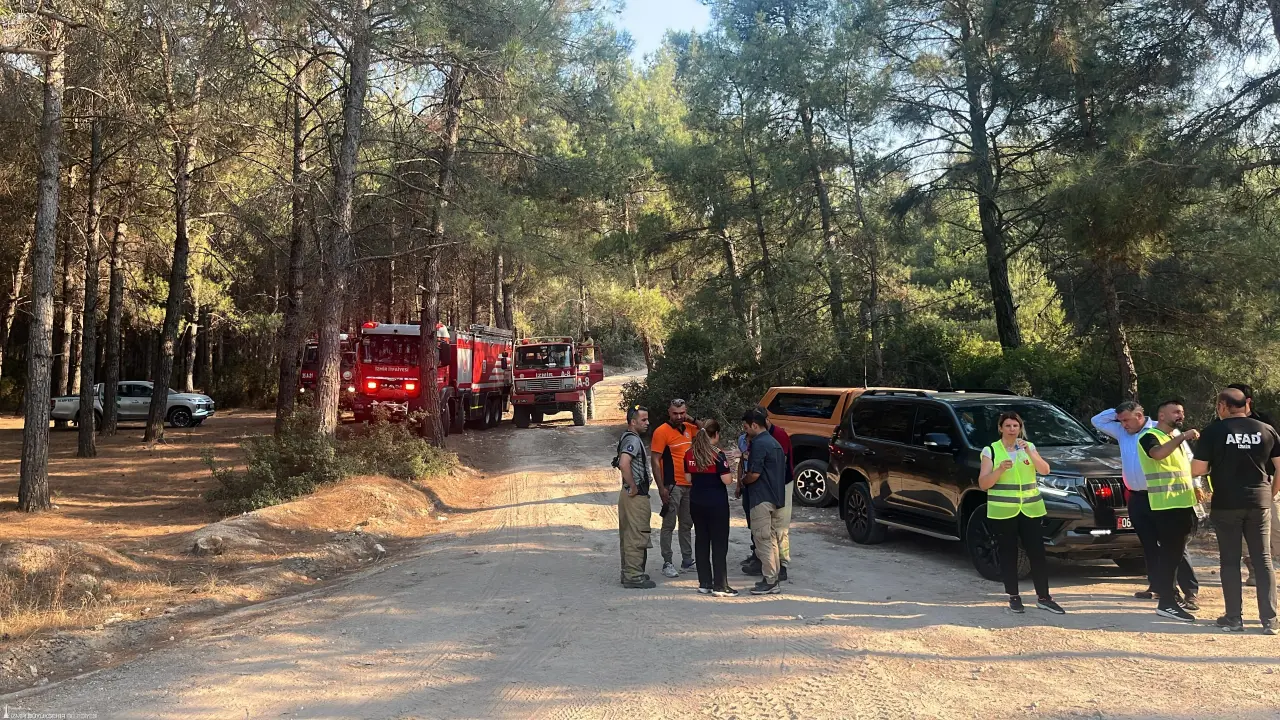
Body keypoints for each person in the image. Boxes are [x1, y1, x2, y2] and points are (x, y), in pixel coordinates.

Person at [1093, 401, 1200, 606]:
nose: (1123, 424)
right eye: (1120, 420)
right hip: (1136, 497)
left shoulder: (1162, 433)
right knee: (1149, 544)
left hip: (1161, 497)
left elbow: (1186, 460)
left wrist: (1196, 485)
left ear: (1140, 415)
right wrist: (1119, 414)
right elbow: (1096, 420)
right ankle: (1158, 587)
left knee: (1174, 545)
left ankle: (1190, 590)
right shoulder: (1123, 431)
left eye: (1127, 419)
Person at [1191, 388, 1280, 634]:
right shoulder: (1266, 430)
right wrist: (1269, 493)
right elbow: (1279, 467)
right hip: (1259, 501)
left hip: (1227, 503)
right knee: (1263, 560)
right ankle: (1270, 620)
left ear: (1222, 406)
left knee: (1230, 561)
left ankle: (1234, 619)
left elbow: (1197, 470)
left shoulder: (1213, 432)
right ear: (1245, 405)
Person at [978, 411, 1065, 615]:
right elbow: (983, 484)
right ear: (1000, 428)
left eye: (1015, 426)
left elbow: (1045, 470)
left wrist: (1031, 453)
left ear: (1020, 428)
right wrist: (999, 470)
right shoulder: (990, 450)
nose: (1012, 430)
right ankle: (1014, 596)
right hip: (1003, 511)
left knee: (1037, 552)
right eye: (1007, 426)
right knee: (1008, 553)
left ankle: (1044, 597)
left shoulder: (1029, 447)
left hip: (1030, 508)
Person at [1136, 400, 1201, 622]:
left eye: (1182, 412)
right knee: (1169, 556)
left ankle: (1170, 600)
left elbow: (1186, 469)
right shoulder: (1150, 436)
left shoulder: (1177, 439)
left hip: (1184, 503)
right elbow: (1157, 455)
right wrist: (1182, 437)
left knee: (1175, 555)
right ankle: (1167, 602)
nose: (1180, 415)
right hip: (1166, 505)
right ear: (1161, 416)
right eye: (1175, 412)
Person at [1228, 384, 1280, 587]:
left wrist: (1274, 489)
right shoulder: (1221, 424)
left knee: (1275, 530)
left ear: (1247, 400)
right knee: (1243, 535)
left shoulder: (1265, 422)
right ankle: (1254, 571)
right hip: (1234, 488)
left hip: (1265, 484)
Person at [683, 419, 737, 597]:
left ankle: (704, 582)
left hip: (696, 502)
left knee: (701, 540)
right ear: (716, 435)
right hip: (717, 504)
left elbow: (688, 479)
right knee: (719, 543)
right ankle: (720, 585)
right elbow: (727, 480)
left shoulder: (690, 454)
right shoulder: (718, 455)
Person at [740, 411, 794, 581]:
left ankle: (774, 575)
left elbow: (755, 473)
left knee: (768, 534)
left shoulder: (768, 440)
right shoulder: (770, 441)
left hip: (767, 493)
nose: (745, 431)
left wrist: (744, 480)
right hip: (775, 491)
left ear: (755, 424)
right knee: (770, 535)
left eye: (746, 427)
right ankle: (773, 571)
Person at [650, 399, 698, 578]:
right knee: (669, 524)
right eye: (675, 413)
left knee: (686, 523)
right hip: (672, 485)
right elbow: (655, 460)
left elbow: (710, 431)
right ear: (668, 412)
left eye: (682, 413)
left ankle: (687, 560)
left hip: (689, 485)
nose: (678, 417)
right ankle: (667, 562)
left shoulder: (688, 428)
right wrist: (661, 487)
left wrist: (691, 419)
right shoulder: (661, 432)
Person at [615, 405, 655, 589]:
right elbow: (624, 463)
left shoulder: (628, 437)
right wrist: (633, 486)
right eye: (643, 420)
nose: (647, 423)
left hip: (629, 495)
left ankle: (629, 571)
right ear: (633, 422)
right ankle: (634, 575)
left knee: (629, 534)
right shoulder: (632, 440)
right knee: (637, 534)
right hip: (635, 495)